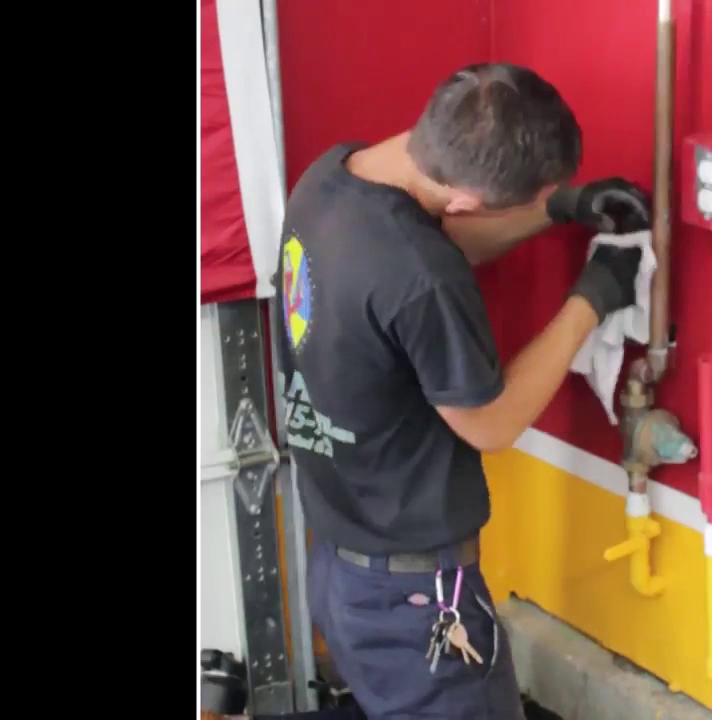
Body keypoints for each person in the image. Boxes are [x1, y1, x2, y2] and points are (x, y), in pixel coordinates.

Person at [273, 62, 650, 719]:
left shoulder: (331, 176)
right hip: (414, 605)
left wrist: (558, 207)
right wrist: (592, 298)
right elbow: (490, 422)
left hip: (341, 568)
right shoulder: (423, 276)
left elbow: (437, 236)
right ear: (467, 202)